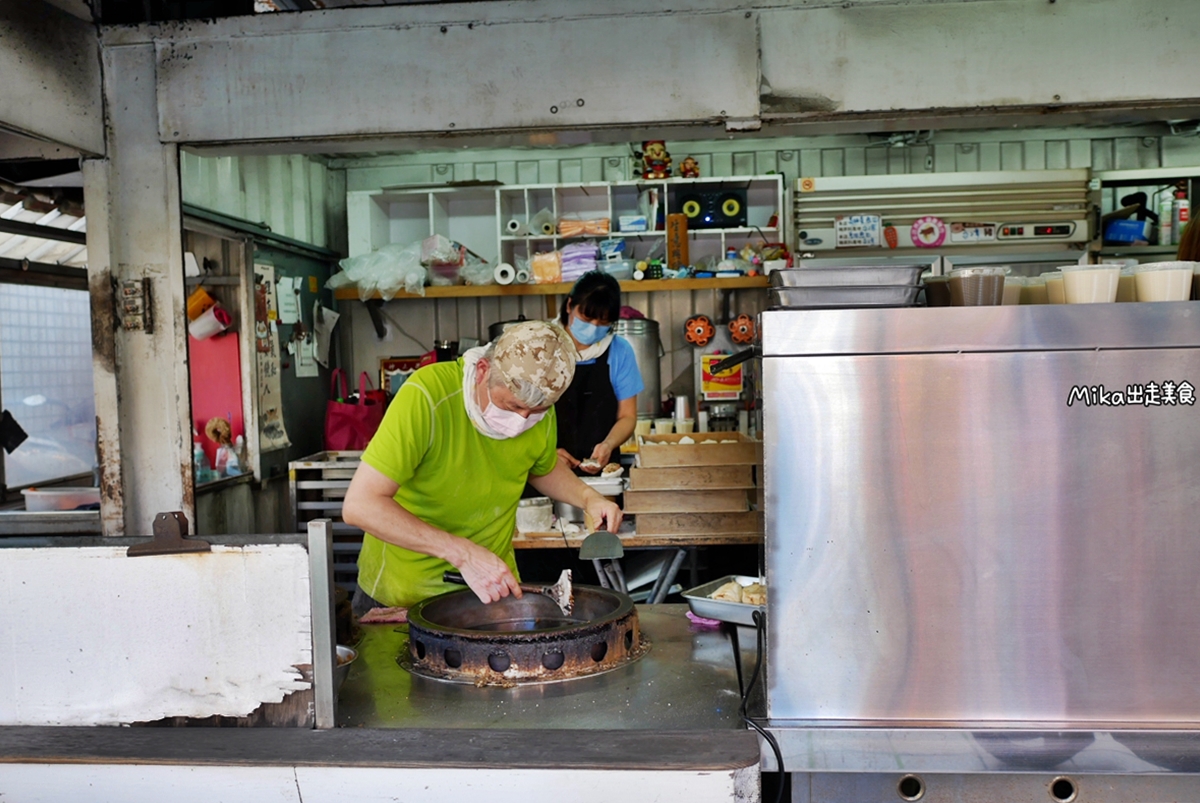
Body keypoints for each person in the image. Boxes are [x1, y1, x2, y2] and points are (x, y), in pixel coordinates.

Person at [342, 321, 623, 612]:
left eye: (535, 413)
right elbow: (360, 505)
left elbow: (542, 466)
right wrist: (464, 555)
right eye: (512, 407)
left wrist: (588, 497)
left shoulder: (540, 409)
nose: (520, 423)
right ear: (482, 371)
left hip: (492, 594)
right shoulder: (426, 396)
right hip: (401, 598)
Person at [554, 271, 644, 474]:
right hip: (546, 469)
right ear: (569, 306)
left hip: (603, 474)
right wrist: (545, 454)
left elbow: (627, 416)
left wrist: (608, 444)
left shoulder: (619, 350)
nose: (594, 328)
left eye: (603, 323)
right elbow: (520, 415)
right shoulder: (542, 345)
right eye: (587, 318)